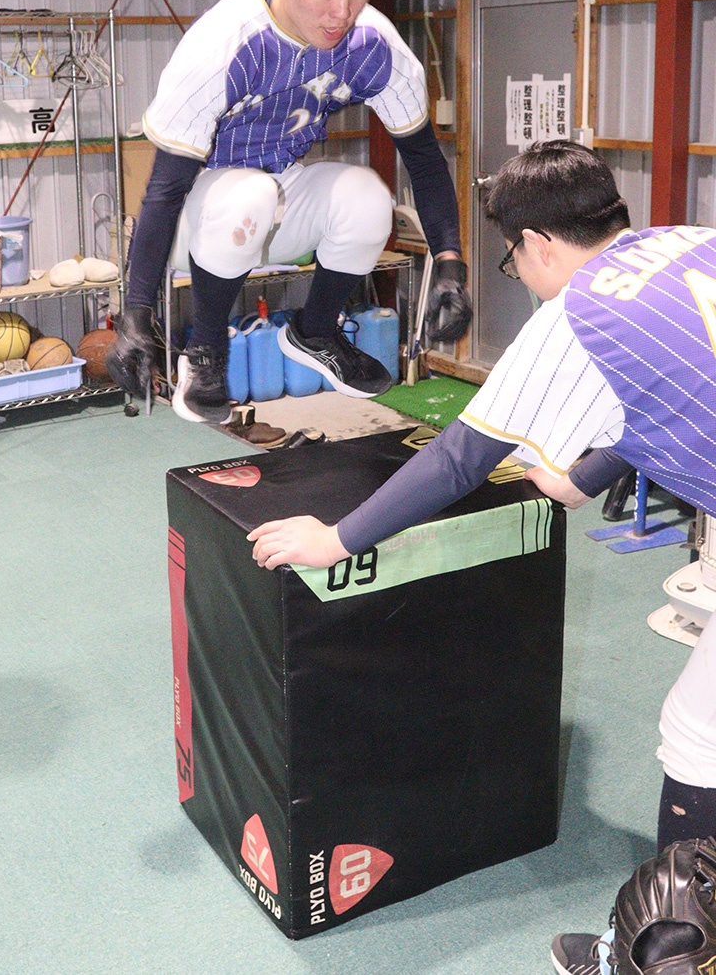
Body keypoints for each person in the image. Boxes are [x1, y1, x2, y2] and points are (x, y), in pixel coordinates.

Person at [248, 139, 716, 973]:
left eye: (512, 260)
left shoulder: (577, 313)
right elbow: (673, 392)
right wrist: (584, 474)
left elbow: (461, 458)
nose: (522, 276)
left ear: (536, 243)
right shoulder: (685, 242)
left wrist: (336, 538)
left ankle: (660, 953)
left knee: (698, 734)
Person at [106, 0, 471, 422]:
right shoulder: (225, 44)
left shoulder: (372, 44)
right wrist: (135, 313)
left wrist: (450, 260)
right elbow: (164, 190)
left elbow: (423, 158)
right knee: (248, 196)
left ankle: (315, 330)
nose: (342, 12)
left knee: (370, 198)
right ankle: (206, 351)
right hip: (195, 219)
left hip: (275, 196)